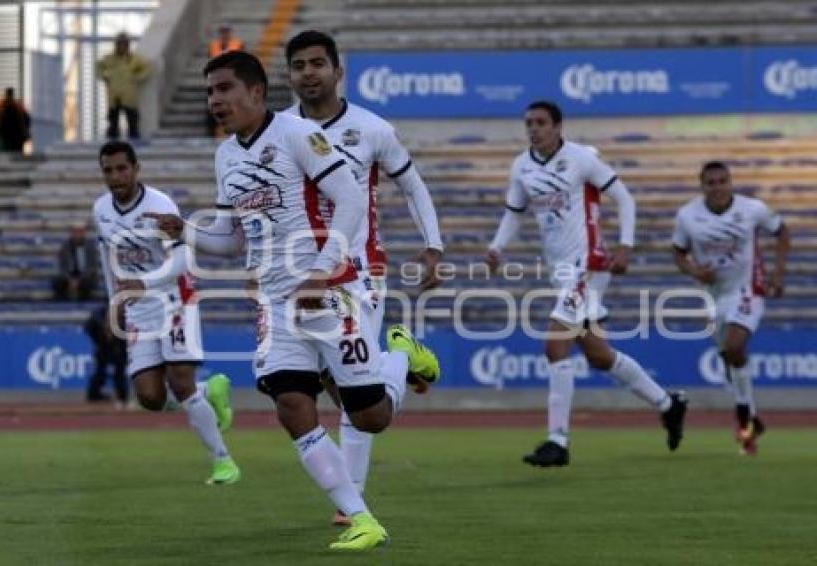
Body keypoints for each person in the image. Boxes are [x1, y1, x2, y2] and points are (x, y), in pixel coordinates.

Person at [146, 50, 440, 551]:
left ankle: (396, 355)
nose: (215, 100)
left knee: (371, 417)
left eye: (224, 89)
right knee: (290, 402)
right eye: (210, 91)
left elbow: (349, 200)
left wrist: (321, 273)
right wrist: (187, 232)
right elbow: (232, 240)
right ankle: (361, 517)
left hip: (331, 289)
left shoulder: (298, 135)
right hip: (276, 302)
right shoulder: (226, 157)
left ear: (257, 93)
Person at [284, 29, 444, 526]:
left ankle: (349, 503)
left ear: (338, 71)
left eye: (317, 63)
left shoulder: (371, 128)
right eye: (299, 65)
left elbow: (413, 188)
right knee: (339, 391)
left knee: (357, 398)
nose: (308, 73)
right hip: (301, 273)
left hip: (361, 271)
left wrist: (433, 246)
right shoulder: (280, 130)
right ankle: (401, 356)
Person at [486, 100, 688, 467]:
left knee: (554, 347)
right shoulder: (522, 166)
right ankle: (668, 403)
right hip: (561, 271)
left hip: (589, 263)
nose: (534, 128)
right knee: (598, 355)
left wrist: (625, 246)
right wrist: (496, 248)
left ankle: (557, 441)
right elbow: (514, 214)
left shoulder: (581, 159)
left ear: (558, 126)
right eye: (529, 122)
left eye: (541, 122)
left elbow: (624, 198)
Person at [93, 140, 240, 485]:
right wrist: (113, 301)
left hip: (174, 298)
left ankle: (223, 461)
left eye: (121, 168)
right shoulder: (100, 209)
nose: (115, 177)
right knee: (150, 397)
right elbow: (107, 259)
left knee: (180, 381)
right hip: (139, 309)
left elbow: (182, 260)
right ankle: (209, 393)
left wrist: (145, 283)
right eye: (108, 170)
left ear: (136, 169)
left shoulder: (159, 205)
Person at [672, 161, 789, 455]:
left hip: (747, 288)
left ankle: (741, 416)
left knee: (735, 348)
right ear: (703, 186)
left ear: (730, 182)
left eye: (723, 181)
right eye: (711, 182)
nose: (718, 187)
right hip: (714, 296)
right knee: (727, 356)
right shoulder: (687, 216)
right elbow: (678, 252)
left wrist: (777, 273)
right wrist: (695, 272)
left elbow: (782, 232)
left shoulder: (752, 209)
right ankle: (751, 419)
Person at [96, 33, 151, 140]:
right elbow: (98, 67)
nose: (121, 47)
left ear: (127, 45)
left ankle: (133, 140)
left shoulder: (134, 59)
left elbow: (147, 69)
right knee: (113, 121)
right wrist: (104, 76)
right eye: (119, 44)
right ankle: (113, 141)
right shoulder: (109, 59)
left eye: (124, 44)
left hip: (129, 95)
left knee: (132, 120)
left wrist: (137, 78)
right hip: (114, 95)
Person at [84, 303, 129, 406]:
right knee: (100, 371)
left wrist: (120, 345)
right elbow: (88, 327)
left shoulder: (125, 318)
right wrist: (100, 340)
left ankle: (122, 396)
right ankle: (93, 394)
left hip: (118, 347)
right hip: (103, 346)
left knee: (119, 371)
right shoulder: (97, 317)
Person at [207, 24, 246, 136]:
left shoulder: (238, 44)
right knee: (214, 106)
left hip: (233, 81)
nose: (224, 34)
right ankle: (214, 132)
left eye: (226, 32)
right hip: (216, 80)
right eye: (222, 32)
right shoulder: (213, 46)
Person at [52, 222, 99, 301]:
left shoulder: (90, 247)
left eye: (80, 231)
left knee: (88, 283)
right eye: (75, 231)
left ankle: (84, 300)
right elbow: (62, 266)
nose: (77, 234)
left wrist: (79, 280)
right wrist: (70, 279)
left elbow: (91, 267)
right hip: (69, 276)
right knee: (57, 281)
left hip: (84, 276)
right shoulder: (65, 247)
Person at [0, 87, 31, 153]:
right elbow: (27, 121)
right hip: (13, 139)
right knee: (13, 157)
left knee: (4, 156)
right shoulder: (18, 107)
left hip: (7, 138)